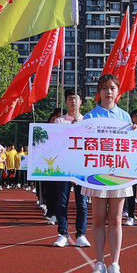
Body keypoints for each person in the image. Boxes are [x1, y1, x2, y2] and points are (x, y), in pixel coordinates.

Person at [83, 74, 134, 273]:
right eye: (104, 88)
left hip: (119, 174)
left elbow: (133, 147)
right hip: (96, 174)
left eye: (112, 88)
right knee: (98, 220)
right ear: (99, 92)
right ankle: (99, 263)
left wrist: (136, 132)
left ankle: (114, 264)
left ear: (117, 91)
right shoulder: (89, 117)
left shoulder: (125, 118)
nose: (108, 92)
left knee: (115, 219)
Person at [52, 87, 90, 248]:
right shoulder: (59, 121)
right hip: (63, 169)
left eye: (76, 98)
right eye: (70, 99)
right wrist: (70, 129)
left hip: (82, 170)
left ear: (81, 101)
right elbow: (56, 144)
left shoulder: (88, 122)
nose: (73, 101)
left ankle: (81, 234)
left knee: (82, 203)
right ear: (66, 102)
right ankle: (63, 234)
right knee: (62, 202)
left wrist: (79, 127)